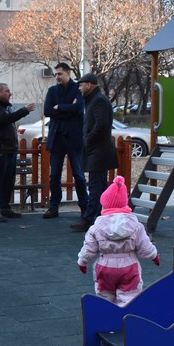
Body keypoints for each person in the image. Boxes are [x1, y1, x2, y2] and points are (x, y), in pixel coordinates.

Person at [76, 175, 159, 306]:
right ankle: (126, 320)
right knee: (130, 296)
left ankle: (107, 319)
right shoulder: (135, 225)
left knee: (105, 295)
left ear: (105, 205)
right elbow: (144, 244)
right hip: (129, 266)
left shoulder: (96, 227)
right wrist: (153, 255)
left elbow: (89, 247)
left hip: (105, 266)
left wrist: (82, 261)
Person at [0, 83, 35, 222]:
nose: (10, 93)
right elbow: (5, 120)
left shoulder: (6, 106)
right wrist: (25, 110)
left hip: (9, 149)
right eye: (7, 91)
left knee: (8, 181)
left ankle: (5, 207)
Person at [73, 72, 119, 232]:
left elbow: (102, 125)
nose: (79, 88)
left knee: (95, 185)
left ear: (89, 85)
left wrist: (88, 140)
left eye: (81, 85)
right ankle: (102, 217)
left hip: (98, 151)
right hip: (98, 150)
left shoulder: (98, 100)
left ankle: (89, 219)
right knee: (99, 185)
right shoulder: (94, 100)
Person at [42, 62, 87, 220]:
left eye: (59, 74)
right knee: (54, 175)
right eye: (55, 74)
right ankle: (54, 207)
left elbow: (78, 109)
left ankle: (84, 206)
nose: (57, 77)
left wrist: (59, 107)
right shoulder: (52, 90)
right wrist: (68, 108)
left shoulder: (78, 89)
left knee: (79, 175)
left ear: (68, 73)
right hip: (57, 138)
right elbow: (47, 111)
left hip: (74, 138)